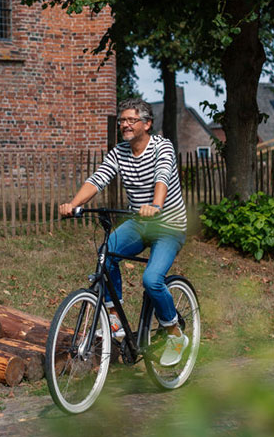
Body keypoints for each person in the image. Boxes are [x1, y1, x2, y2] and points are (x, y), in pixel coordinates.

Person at [59, 98, 190, 366]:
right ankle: (114, 319)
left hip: (168, 225)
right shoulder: (119, 152)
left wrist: (155, 205)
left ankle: (175, 333)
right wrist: (73, 204)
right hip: (139, 223)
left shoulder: (161, 147)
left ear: (147, 123)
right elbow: (98, 179)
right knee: (106, 255)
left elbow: (162, 177)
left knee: (152, 280)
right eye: (122, 120)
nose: (125, 125)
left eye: (131, 120)